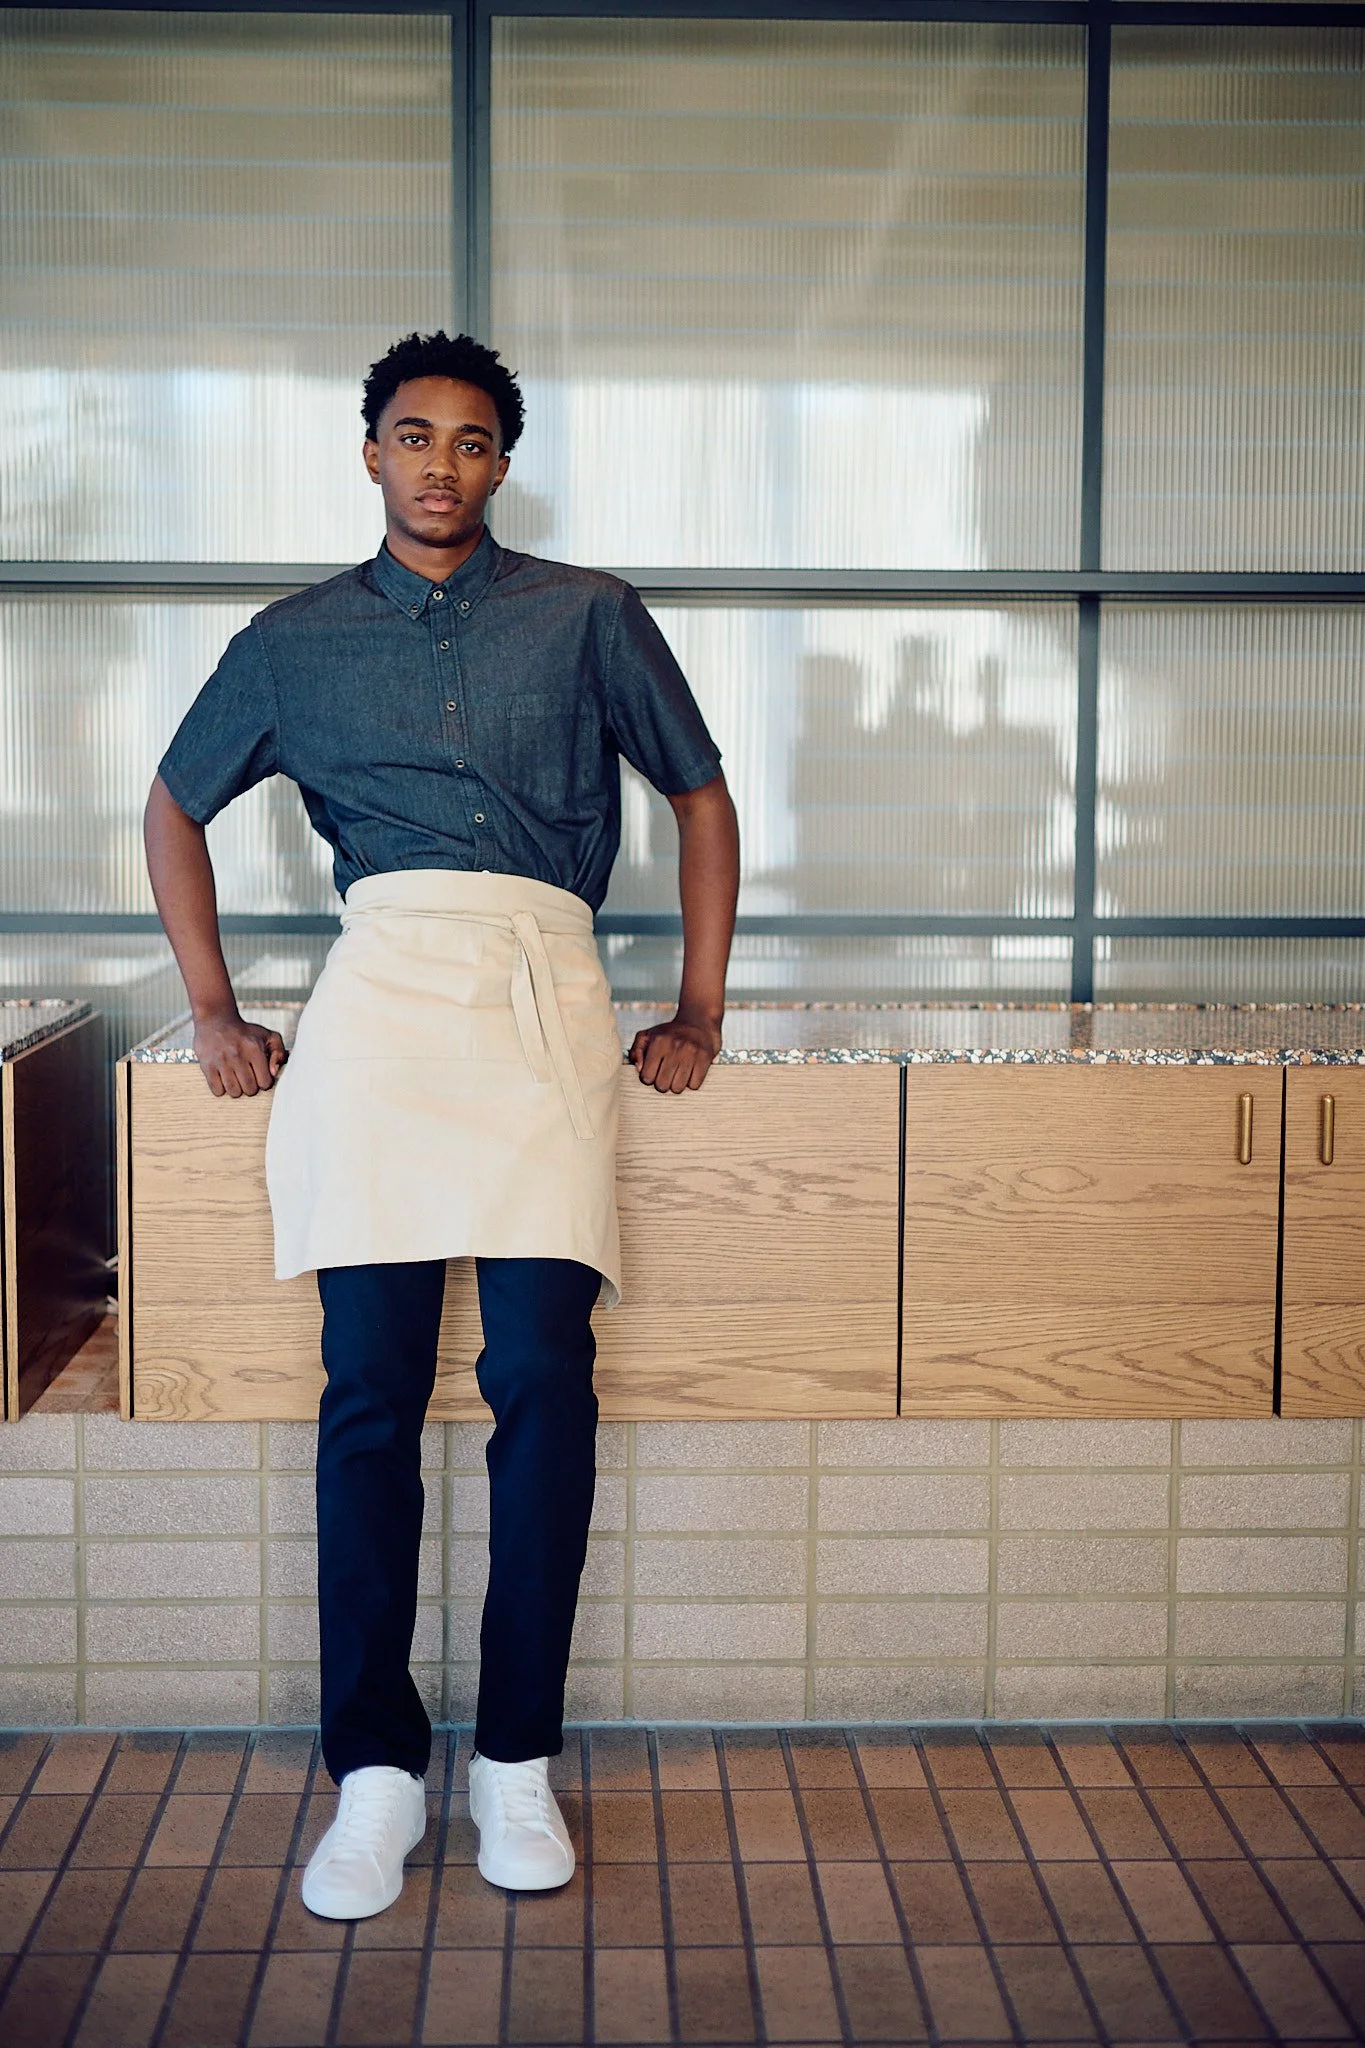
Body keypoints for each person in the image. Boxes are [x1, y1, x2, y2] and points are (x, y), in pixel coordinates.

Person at [143, 331, 739, 1921]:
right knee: (370, 1393)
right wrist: (211, 1008)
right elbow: (175, 803)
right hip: (381, 1009)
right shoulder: (292, 640)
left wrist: (698, 1008)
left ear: (501, 464)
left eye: (472, 442)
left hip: (545, 998)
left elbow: (700, 794)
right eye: (414, 437)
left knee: (544, 1372)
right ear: (371, 453)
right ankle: (378, 1775)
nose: (441, 466)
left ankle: (516, 1761)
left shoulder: (591, 614)